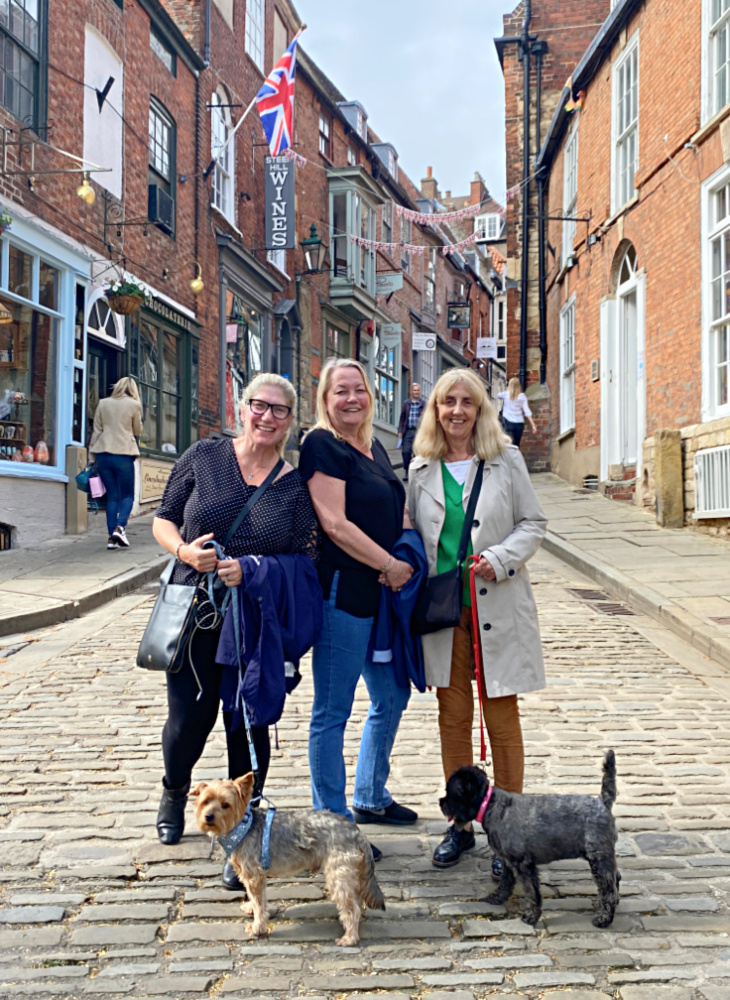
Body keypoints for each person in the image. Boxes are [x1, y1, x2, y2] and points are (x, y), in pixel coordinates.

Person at [151, 373, 319, 890]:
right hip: (195, 614)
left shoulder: (294, 486)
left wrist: (254, 567)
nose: (267, 417)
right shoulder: (203, 457)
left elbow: (305, 556)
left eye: (280, 410)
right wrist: (184, 552)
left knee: (248, 724)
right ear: (241, 407)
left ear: (291, 420)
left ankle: (242, 835)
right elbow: (164, 519)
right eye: (258, 406)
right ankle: (175, 790)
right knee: (189, 723)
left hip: (254, 621)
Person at [408, 367, 547, 870]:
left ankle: (511, 828)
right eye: (449, 402)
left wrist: (503, 556)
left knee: (502, 717)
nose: (458, 411)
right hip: (446, 610)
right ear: (436, 410)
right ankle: (460, 823)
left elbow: (534, 523)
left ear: (481, 408)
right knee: (453, 719)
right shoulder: (420, 468)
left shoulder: (506, 460)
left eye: (468, 402)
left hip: (497, 602)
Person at [299, 359, 418, 847]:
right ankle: (332, 821)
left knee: (392, 695)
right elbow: (335, 524)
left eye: (359, 389)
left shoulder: (376, 448)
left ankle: (369, 793)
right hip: (344, 593)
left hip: (383, 599)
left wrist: (408, 549)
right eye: (340, 391)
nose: (352, 398)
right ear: (325, 400)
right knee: (333, 709)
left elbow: (397, 508)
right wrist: (389, 565)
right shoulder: (321, 445)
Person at [88, 376, 143, 550]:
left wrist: (92, 456)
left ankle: (112, 538)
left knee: (112, 496)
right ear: (133, 389)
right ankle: (120, 527)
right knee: (127, 495)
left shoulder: (103, 403)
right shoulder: (134, 405)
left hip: (103, 454)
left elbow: (96, 430)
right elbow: (137, 430)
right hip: (123, 455)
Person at [497, 377, 537, 448]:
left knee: (509, 444)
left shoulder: (506, 394)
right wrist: (533, 425)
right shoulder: (522, 397)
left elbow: (498, 395)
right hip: (519, 423)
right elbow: (527, 411)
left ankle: (509, 458)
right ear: (519, 386)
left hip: (508, 422)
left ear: (510, 385)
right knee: (516, 445)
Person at [397, 382, 425, 482]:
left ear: (419, 392)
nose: (416, 392)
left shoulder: (424, 404)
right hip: (408, 431)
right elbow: (402, 418)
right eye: (414, 390)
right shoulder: (406, 404)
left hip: (419, 432)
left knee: (418, 453)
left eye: (418, 390)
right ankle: (407, 470)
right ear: (411, 391)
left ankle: (415, 473)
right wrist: (400, 431)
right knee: (405, 451)